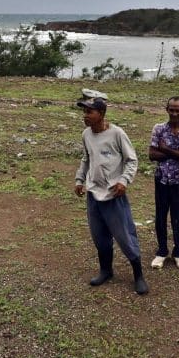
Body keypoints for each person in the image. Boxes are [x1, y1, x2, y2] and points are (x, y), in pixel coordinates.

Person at [74, 95, 149, 295]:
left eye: (90, 111)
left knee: (125, 235)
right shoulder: (86, 135)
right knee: (99, 236)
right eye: (84, 111)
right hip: (93, 194)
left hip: (113, 195)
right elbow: (86, 158)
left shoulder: (116, 134)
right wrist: (80, 180)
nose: (85, 116)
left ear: (102, 113)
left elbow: (131, 160)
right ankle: (106, 271)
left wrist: (124, 180)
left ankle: (138, 275)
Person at [148, 96, 179, 270]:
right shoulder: (159, 129)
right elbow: (152, 155)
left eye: (178, 110)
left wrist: (166, 149)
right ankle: (161, 251)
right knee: (160, 216)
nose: (174, 113)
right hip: (161, 179)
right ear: (167, 109)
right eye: (172, 109)